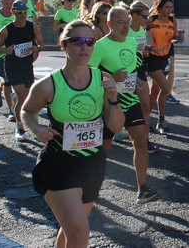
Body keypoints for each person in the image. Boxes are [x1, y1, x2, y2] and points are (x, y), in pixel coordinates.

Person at [21, 20, 125, 248]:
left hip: (92, 164)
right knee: (79, 232)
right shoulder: (48, 85)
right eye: (77, 41)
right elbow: (27, 111)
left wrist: (113, 97)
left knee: (71, 231)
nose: (84, 47)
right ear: (63, 44)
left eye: (89, 42)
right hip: (58, 165)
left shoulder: (103, 79)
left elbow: (116, 127)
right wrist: (37, 129)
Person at [88, 7, 160, 204]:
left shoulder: (132, 41)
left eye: (127, 22)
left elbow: (135, 65)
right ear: (109, 25)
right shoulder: (100, 47)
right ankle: (92, 187)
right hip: (110, 104)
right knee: (105, 147)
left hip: (130, 100)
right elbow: (89, 74)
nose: (126, 26)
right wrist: (111, 77)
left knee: (141, 141)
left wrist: (138, 80)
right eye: (120, 23)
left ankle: (142, 188)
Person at [0, 0, 44, 141]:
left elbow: (41, 43)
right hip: (12, 67)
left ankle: (14, 97)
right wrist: (5, 50)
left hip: (27, 66)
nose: (22, 15)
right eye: (19, 12)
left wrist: (37, 48)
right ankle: (20, 128)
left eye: (24, 12)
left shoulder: (33, 27)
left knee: (26, 96)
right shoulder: (6, 30)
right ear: (13, 12)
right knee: (23, 98)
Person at [127, 1, 158, 154]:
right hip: (125, 71)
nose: (147, 19)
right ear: (133, 15)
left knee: (145, 106)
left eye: (148, 16)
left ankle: (145, 140)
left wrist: (151, 49)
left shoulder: (141, 28)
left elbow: (140, 47)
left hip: (139, 69)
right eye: (144, 16)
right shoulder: (124, 29)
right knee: (122, 106)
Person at [146, 0, 181, 133]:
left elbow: (174, 39)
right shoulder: (152, 20)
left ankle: (156, 120)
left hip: (165, 58)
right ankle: (154, 120)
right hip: (153, 58)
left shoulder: (173, 21)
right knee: (166, 89)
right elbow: (141, 33)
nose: (169, 10)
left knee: (156, 91)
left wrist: (179, 38)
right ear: (159, 7)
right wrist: (148, 48)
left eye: (171, 7)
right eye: (166, 7)